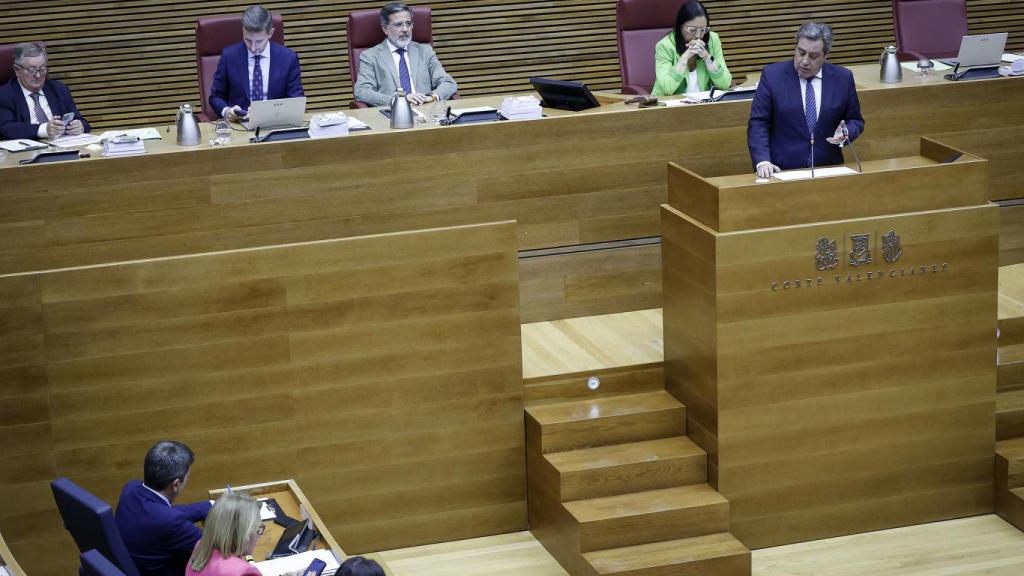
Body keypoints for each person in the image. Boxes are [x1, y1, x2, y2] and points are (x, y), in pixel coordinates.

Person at [747, 22, 865, 178]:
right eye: (801, 52)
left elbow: (855, 120)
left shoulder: (843, 78)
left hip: (828, 169)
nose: (804, 61)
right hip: (781, 170)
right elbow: (758, 123)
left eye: (813, 56)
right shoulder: (772, 75)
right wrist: (762, 161)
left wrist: (845, 132)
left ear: (825, 55)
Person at [115, 441, 214, 576]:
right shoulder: (172, 524)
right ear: (176, 484)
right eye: (187, 478)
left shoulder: (131, 490)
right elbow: (216, 549)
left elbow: (166, 513)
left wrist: (211, 505)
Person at [209, 5, 304, 121]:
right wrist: (226, 111)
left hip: (275, 123)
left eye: (259, 41)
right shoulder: (229, 56)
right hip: (239, 124)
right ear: (243, 31)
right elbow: (215, 97)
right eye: (248, 40)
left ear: (270, 33)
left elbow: (296, 101)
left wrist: (266, 114)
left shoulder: (288, 58)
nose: (253, 48)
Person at [354, 2, 457, 107]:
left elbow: (448, 83)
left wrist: (432, 97)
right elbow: (362, 91)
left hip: (426, 112)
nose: (405, 29)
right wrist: (399, 100)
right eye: (398, 24)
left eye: (408, 24)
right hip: (392, 115)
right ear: (385, 29)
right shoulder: (370, 56)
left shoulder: (425, 51)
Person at [0, 42, 89, 140]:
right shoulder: (4, 94)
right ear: (17, 70)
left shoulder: (59, 89)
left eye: (42, 69)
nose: (38, 76)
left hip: (61, 148)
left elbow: (81, 121)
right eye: (31, 70)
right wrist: (44, 130)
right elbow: (5, 129)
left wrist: (80, 126)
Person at [651, 1, 731, 97]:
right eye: (692, 30)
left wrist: (706, 57)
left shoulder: (712, 40)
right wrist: (685, 57)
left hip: (702, 105)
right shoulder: (664, 46)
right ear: (680, 27)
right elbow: (667, 88)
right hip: (668, 106)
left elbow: (725, 83)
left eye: (703, 30)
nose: (698, 36)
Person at [185, 493, 262, 576]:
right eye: (258, 529)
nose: (259, 536)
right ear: (245, 535)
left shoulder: (201, 545)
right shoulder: (244, 572)